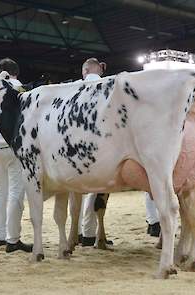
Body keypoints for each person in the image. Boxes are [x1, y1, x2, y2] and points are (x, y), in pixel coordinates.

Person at [0, 58, 32, 253]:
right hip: (14, 145)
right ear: (16, 73)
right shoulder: (20, 88)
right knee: (16, 192)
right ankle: (13, 239)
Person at [77, 58, 112, 246]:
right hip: (98, 143)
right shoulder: (107, 85)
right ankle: (89, 234)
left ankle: (78, 233)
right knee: (94, 189)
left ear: (84, 71)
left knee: (75, 192)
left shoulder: (74, 86)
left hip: (73, 145)